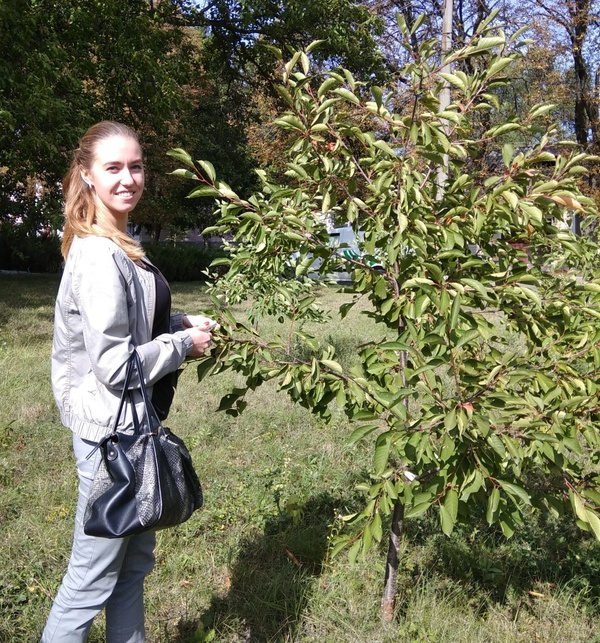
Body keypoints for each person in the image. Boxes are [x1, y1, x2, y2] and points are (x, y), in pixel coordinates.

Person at [42, 121, 215, 642]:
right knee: (89, 580)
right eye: (113, 167)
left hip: (132, 429)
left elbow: (129, 317)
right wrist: (184, 346)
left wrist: (177, 322)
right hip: (108, 437)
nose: (128, 178)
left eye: (135, 166)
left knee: (131, 571)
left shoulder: (119, 241)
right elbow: (116, 366)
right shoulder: (98, 253)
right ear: (88, 176)